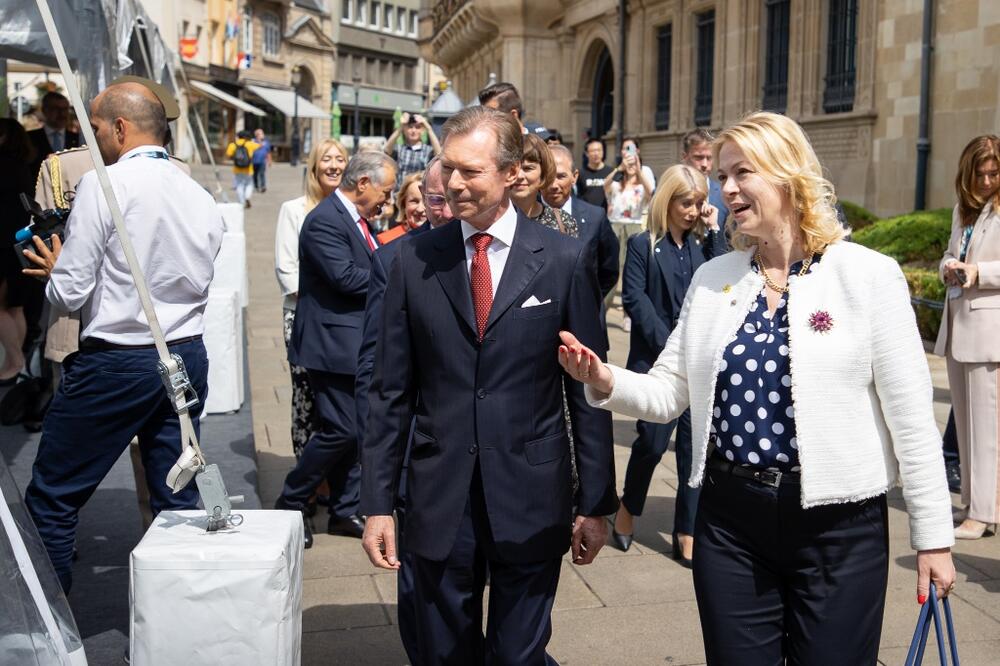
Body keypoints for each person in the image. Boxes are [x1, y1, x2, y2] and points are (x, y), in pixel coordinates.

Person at [558, 111, 956, 665]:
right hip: (730, 523)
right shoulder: (715, 277)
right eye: (722, 175)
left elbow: (913, 420)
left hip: (838, 529)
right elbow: (669, 391)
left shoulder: (866, 276)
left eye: (741, 173)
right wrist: (603, 378)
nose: (726, 189)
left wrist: (933, 537)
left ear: (787, 175)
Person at [360, 106, 616, 664]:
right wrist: (377, 503)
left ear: (509, 172)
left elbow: (588, 391)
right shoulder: (410, 260)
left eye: (470, 171)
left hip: (532, 494)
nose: (452, 183)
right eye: (448, 168)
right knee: (443, 651)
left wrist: (596, 502)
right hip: (438, 495)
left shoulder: (565, 260)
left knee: (518, 654)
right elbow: (389, 393)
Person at [21, 81, 224, 592]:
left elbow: (69, 294)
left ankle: (47, 635)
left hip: (119, 360)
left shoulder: (104, 184)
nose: (91, 139)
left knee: (53, 497)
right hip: (187, 356)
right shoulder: (197, 192)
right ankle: (175, 627)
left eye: (94, 128)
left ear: (119, 128)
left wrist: (55, 270)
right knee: (175, 500)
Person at [274, 151, 397, 549]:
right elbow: (345, 277)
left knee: (356, 431)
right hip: (330, 345)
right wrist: (399, 278)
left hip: (352, 342)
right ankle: (291, 501)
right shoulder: (324, 221)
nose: (387, 201)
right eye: (385, 190)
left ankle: (344, 510)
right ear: (363, 183)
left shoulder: (356, 219)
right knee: (340, 429)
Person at [355, 157, 452, 663]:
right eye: (431, 199)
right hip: (418, 451)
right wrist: (380, 477)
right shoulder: (394, 260)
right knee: (420, 588)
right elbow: (375, 371)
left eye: (447, 198)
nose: (441, 208)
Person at [613, 165, 720, 565]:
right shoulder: (644, 244)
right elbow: (635, 299)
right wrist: (671, 345)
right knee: (652, 443)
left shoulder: (701, 246)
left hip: (699, 364)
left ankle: (686, 528)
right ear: (668, 201)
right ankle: (628, 508)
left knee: (695, 451)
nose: (693, 211)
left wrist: (712, 232)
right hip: (658, 359)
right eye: (686, 202)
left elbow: (722, 285)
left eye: (699, 203)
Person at [934, 134, 1000, 539]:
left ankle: (983, 512)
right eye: (981, 174)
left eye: (994, 173)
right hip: (957, 323)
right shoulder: (964, 209)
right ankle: (974, 505)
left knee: (987, 427)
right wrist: (949, 267)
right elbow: (948, 251)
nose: (989, 181)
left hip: (990, 329)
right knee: (967, 427)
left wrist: (981, 273)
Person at [274, 138, 349, 458]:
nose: (333, 165)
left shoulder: (354, 210)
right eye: (326, 159)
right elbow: (286, 270)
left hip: (345, 318)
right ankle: (308, 471)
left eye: (340, 159)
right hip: (305, 315)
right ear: (314, 167)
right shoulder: (294, 210)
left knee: (340, 400)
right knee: (307, 395)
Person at [543, 144, 621, 299]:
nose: (553, 185)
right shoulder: (525, 217)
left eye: (561, 176)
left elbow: (609, 269)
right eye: (548, 176)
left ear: (575, 177)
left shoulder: (595, 217)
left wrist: (589, 300)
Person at [0, 119, 35, 385]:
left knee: (3, 307)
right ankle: (17, 361)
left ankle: (14, 362)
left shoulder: (4, 164)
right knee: (15, 307)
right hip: (19, 241)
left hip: (3, 243)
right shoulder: (23, 164)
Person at [511, 133, 577, 237]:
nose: (519, 176)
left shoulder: (564, 223)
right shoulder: (489, 221)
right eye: (513, 168)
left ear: (543, 173)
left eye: (528, 168)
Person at [681, 128, 729, 255]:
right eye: (698, 157)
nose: (704, 164)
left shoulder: (724, 194)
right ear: (685, 157)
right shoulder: (671, 193)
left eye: (709, 158)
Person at [27, 92, 80, 185]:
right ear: (44, 110)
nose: (62, 113)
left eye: (65, 109)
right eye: (56, 109)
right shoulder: (29, 138)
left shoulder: (78, 139)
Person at [603, 138, 653, 223]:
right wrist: (619, 168)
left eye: (630, 148)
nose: (628, 151)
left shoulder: (644, 175)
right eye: (625, 148)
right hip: (616, 226)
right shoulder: (617, 179)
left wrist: (638, 171)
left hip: (636, 227)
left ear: (637, 150)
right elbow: (605, 186)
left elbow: (650, 193)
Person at [383, 112, 441, 183]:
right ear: (404, 130)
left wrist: (428, 128)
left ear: (422, 131)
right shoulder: (399, 149)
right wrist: (400, 127)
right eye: (410, 127)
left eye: (417, 127)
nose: (413, 131)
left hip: (419, 191)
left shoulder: (428, 150)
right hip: (400, 192)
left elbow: (439, 153)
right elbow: (386, 150)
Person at [377, 171, 426, 245]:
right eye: (414, 201)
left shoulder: (446, 240)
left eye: (426, 202)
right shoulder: (386, 241)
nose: (420, 209)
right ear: (404, 205)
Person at [225, 129, 259, 208]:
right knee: (249, 184)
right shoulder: (250, 144)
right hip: (248, 169)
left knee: (239, 185)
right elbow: (260, 146)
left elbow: (228, 154)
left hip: (237, 168)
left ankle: (241, 202)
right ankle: (247, 197)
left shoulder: (233, 144)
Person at [577, 138, 612, 211]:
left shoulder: (610, 172)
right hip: (586, 213)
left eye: (599, 150)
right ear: (587, 153)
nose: (596, 153)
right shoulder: (580, 173)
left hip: (605, 214)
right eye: (593, 151)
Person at [252, 128, 272, 193]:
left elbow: (268, 152)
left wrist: (269, 161)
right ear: (257, 135)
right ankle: (256, 186)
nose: (263, 135)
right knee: (254, 174)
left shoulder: (266, 142)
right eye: (261, 133)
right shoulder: (253, 141)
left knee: (262, 174)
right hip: (254, 161)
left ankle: (263, 186)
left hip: (262, 161)